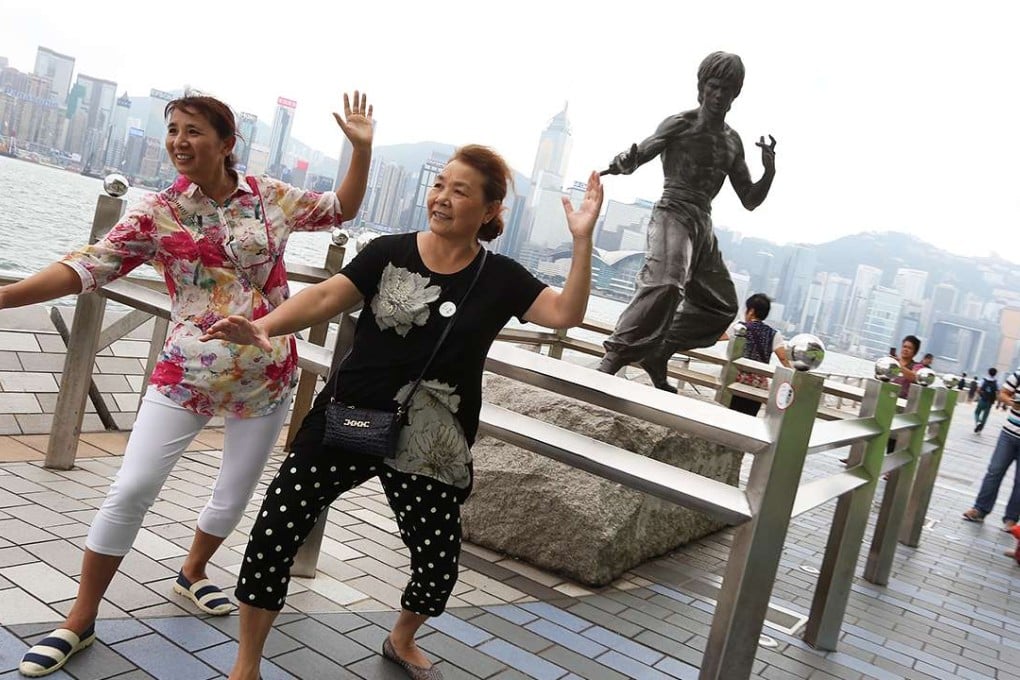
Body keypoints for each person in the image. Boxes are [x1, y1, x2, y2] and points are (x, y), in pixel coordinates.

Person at [6, 91, 374, 677]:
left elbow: (341, 208)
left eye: (194, 130)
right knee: (132, 489)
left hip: (268, 374)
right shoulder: (157, 212)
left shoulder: (270, 197)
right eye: (173, 130)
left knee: (232, 495)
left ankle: (192, 572)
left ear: (227, 143)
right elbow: (86, 265)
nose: (179, 141)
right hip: (188, 372)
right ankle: (79, 618)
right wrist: (4, 296)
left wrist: (361, 149)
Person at [201, 146, 603, 680]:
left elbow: (564, 314)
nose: (442, 197)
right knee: (277, 530)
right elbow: (325, 297)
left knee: (437, 559)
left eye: (460, 191)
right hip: (349, 415)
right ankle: (246, 664)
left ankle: (402, 636)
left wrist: (582, 240)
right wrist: (267, 327)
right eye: (440, 184)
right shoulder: (388, 252)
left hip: (432, 439)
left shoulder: (502, 278)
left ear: (488, 211)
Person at [596, 51, 776, 392]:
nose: (719, 95)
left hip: (702, 222)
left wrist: (769, 171)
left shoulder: (732, 141)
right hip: (673, 212)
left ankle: (658, 352)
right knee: (666, 281)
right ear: (702, 86)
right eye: (713, 86)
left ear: (736, 93)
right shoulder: (680, 122)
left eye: (727, 88)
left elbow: (750, 200)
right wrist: (625, 161)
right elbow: (645, 151)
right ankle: (613, 358)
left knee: (721, 305)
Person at [963, 368, 1020, 531]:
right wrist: (1012, 403)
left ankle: (1011, 520)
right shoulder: (1018, 374)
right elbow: (1002, 394)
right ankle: (979, 510)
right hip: (1008, 434)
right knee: (994, 471)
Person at [720, 293, 790, 416]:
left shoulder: (740, 327)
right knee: (749, 417)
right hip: (758, 385)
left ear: (751, 311)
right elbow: (783, 358)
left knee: (730, 415)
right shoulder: (774, 334)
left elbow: (719, 337)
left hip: (737, 380)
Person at [974, 367, 1000, 433]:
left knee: (977, 412)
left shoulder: (983, 380)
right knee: (985, 416)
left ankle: (978, 422)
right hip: (990, 402)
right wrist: (998, 404)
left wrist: (981, 395)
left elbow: (978, 390)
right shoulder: (996, 383)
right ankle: (980, 429)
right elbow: (998, 394)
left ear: (988, 372)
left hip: (982, 400)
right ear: (995, 374)